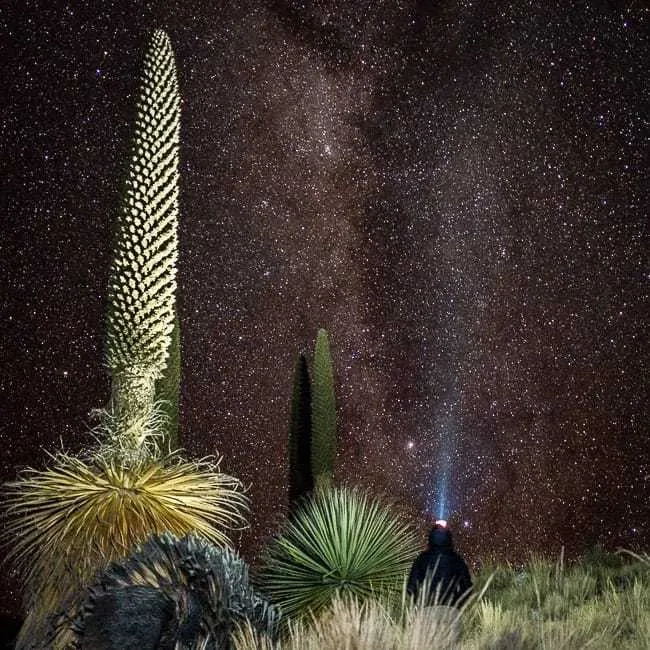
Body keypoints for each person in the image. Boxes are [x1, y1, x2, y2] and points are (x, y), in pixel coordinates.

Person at [407, 521, 472, 642]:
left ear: (430, 537)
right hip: (451, 612)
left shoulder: (422, 559)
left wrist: (420, 602)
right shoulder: (457, 560)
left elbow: (411, 587)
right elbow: (467, 588)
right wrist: (457, 604)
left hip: (426, 611)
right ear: (449, 538)